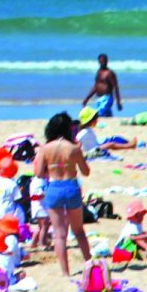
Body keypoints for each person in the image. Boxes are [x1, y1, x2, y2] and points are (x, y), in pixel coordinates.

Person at [35, 113, 92, 278]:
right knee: (79, 231)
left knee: (59, 234)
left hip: (54, 188)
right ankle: (89, 262)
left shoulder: (45, 149)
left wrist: (51, 167)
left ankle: (66, 272)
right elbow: (86, 172)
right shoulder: (74, 148)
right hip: (71, 187)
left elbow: (38, 173)